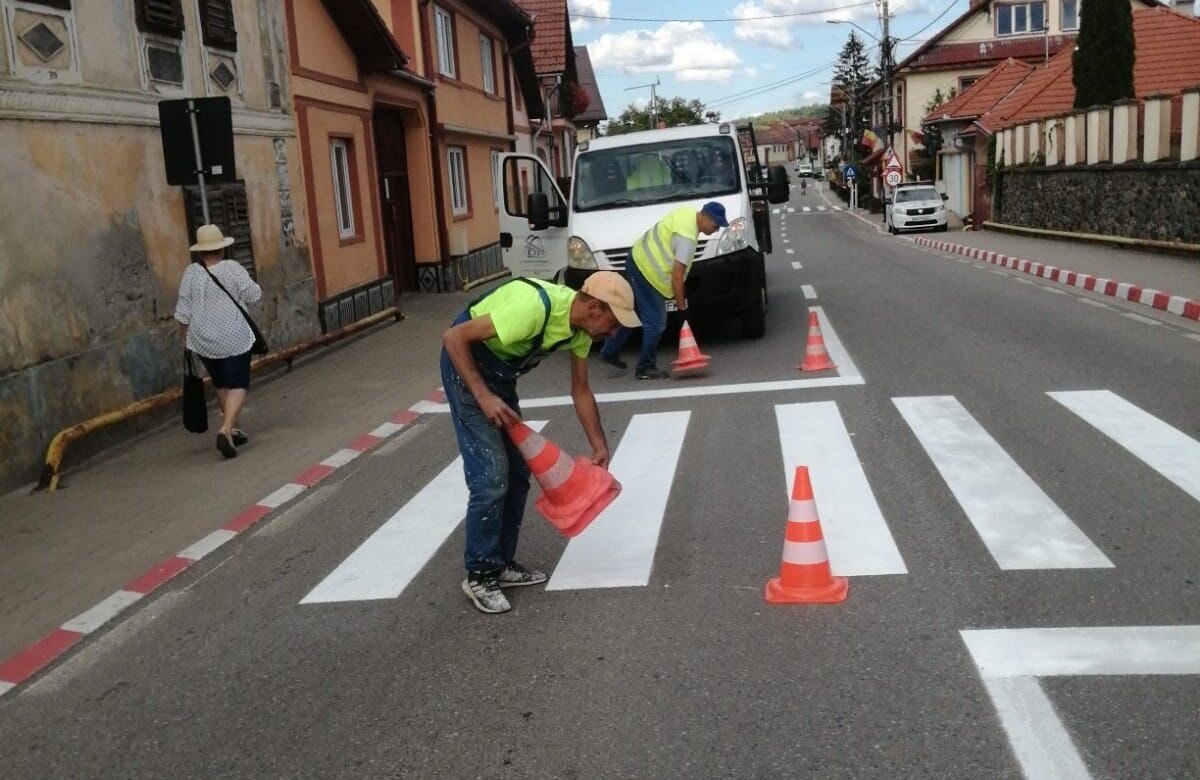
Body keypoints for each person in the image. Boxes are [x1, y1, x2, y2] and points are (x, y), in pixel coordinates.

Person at [441, 272, 640, 614]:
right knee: (491, 477)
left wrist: (599, 445)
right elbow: (453, 337)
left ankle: (501, 563)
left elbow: (580, 390)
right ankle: (480, 573)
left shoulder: (579, 333)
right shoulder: (533, 308)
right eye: (614, 323)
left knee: (518, 473)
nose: (614, 333)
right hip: (467, 368)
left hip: (499, 376)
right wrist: (483, 396)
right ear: (595, 307)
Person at [599, 202, 727, 379]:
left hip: (637, 258)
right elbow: (677, 277)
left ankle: (609, 350)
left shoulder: (686, 213)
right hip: (647, 272)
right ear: (704, 216)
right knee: (656, 323)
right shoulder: (687, 238)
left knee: (633, 313)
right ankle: (645, 368)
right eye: (715, 225)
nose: (717, 230)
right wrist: (682, 309)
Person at [174, 224, 262, 459]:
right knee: (239, 383)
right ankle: (225, 428)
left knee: (221, 383)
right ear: (221, 248)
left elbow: (183, 311)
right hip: (234, 335)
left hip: (203, 339)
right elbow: (253, 294)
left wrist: (184, 338)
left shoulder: (191, 273)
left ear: (200, 251)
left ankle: (233, 430)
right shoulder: (232, 268)